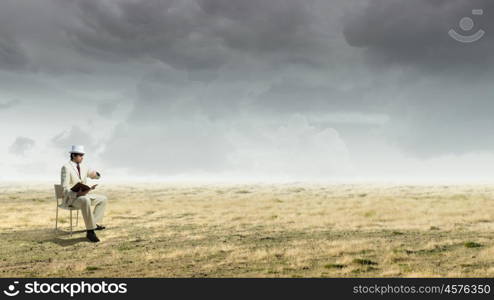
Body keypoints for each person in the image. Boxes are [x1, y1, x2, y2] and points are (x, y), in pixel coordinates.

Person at [60, 145, 107, 242]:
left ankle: (94, 224)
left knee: (103, 199)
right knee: (85, 200)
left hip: (83, 195)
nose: (82, 157)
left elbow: (92, 174)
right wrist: (76, 194)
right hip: (72, 199)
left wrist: (97, 174)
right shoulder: (66, 167)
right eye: (80, 155)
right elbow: (64, 188)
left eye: (83, 155)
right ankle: (90, 232)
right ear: (73, 155)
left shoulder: (84, 166)